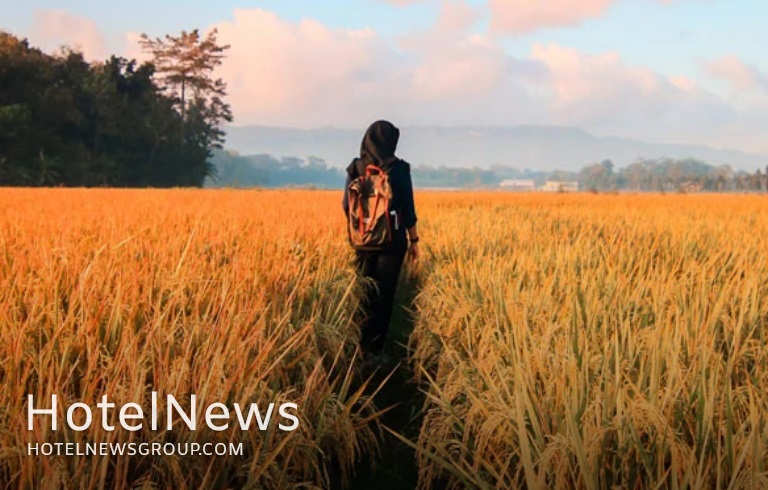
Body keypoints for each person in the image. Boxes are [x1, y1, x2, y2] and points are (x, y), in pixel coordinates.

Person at [342, 120, 420, 359]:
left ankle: (358, 343)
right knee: (384, 295)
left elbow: (346, 205)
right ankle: (376, 349)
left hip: (362, 241)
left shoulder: (356, 168)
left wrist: (360, 228)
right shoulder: (398, 169)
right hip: (392, 243)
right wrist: (414, 240)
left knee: (364, 291)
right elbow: (407, 208)